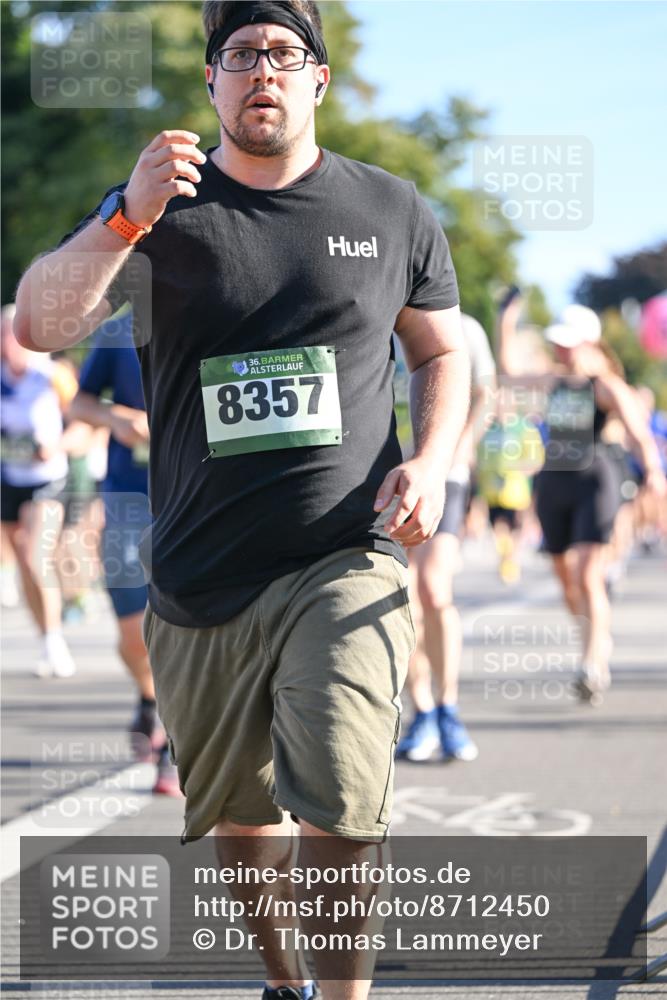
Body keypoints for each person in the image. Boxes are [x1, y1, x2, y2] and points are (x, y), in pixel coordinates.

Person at [13, 3, 470, 998]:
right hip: (201, 572)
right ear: (212, 84)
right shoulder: (158, 207)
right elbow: (40, 323)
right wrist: (121, 215)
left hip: (346, 550)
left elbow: (438, 352)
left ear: (318, 81)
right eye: (239, 55)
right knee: (242, 822)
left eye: (283, 54)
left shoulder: (391, 209)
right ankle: (282, 980)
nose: (261, 70)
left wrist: (430, 458)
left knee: (346, 804)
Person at [497, 293, 665, 704]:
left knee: (589, 574)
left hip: (597, 481)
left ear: (587, 342)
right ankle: (594, 634)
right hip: (554, 483)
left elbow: (639, 430)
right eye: (558, 341)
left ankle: (592, 661)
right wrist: (506, 321)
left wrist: (655, 473)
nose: (560, 348)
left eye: (568, 342)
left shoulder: (604, 385)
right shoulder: (551, 381)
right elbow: (507, 376)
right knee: (564, 576)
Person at [68, 311, 180, 795]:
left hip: (196, 498)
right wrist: (117, 417)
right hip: (128, 499)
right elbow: (80, 405)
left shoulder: (218, 311)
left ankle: (178, 746)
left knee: (187, 626)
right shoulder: (117, 331)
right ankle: (148, 698)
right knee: (134, 630)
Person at [396, 314, 495, 763]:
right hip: (384, 476)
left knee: (434, 589)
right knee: (405, 597)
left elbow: (485, 393)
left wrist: (459, 447)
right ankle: (423, 712)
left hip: (444, 473)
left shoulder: (463, 326)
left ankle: (449, 706)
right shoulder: (371, 310)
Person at [1, 304, 77, 677]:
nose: (8, 342)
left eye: (14, 334)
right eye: (3, 335)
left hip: (47, 477)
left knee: (35, 557)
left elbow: (82, 419)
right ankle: (44, 636)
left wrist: (57, 445)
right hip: (9, 476)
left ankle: (55, 640)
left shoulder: (52, 376)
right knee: (22, 565)